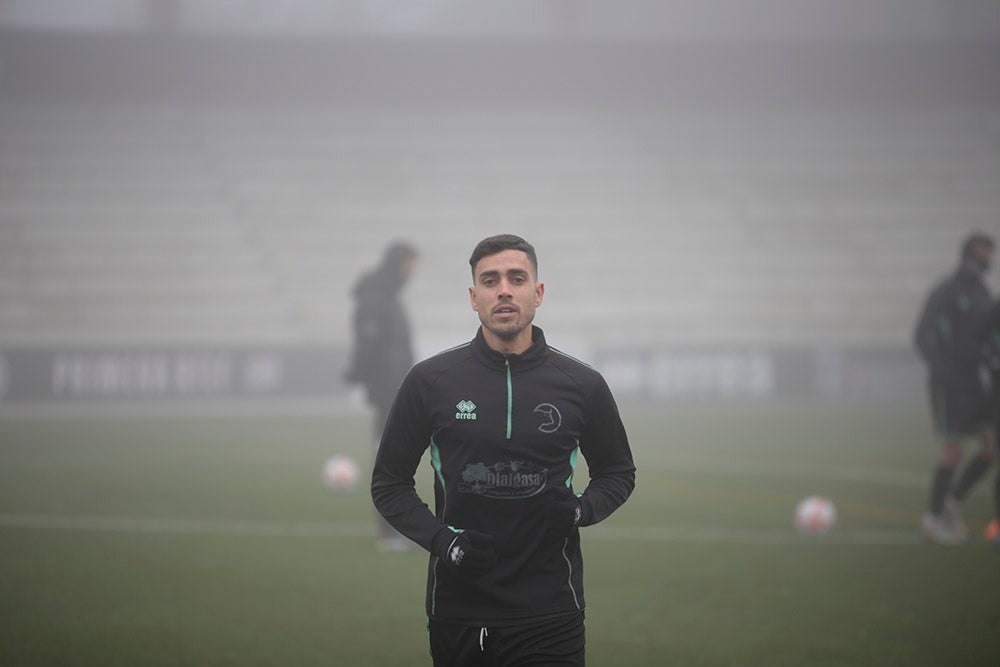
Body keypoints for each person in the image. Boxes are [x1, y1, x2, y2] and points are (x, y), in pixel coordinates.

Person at [371, 234, 635, 665]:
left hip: (552, 606)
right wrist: (444, 542)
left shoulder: (581, 385)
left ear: (538, 292)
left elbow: (618, 472)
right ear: (474, 298)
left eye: (517, 278)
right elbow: (389, 484)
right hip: (458, 608)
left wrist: (580, 511)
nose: (505, 290)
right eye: (490, 281)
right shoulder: (430, 381)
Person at [914, 232, 995, 544]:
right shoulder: (946, 291)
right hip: (949, 384)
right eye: (983, 251)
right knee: (954, 449)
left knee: (991, 446)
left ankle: (951, 502)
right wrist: (943, 370)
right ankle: (933, 519)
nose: (988, 257)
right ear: (967, 253)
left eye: (991, 252)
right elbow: (921, 335)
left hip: (977, 383)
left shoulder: (984, 293)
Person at [345, 241, 418, 551]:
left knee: (398, 458)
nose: (413, 272)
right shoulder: (376, 296)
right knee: (390, 460)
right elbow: (370, 344)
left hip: (397, 389)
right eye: (410, 265)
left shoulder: (387, 294)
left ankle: (398, 530)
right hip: (388, 390)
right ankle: (389, 534)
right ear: (398, 264)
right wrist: (362, 376)